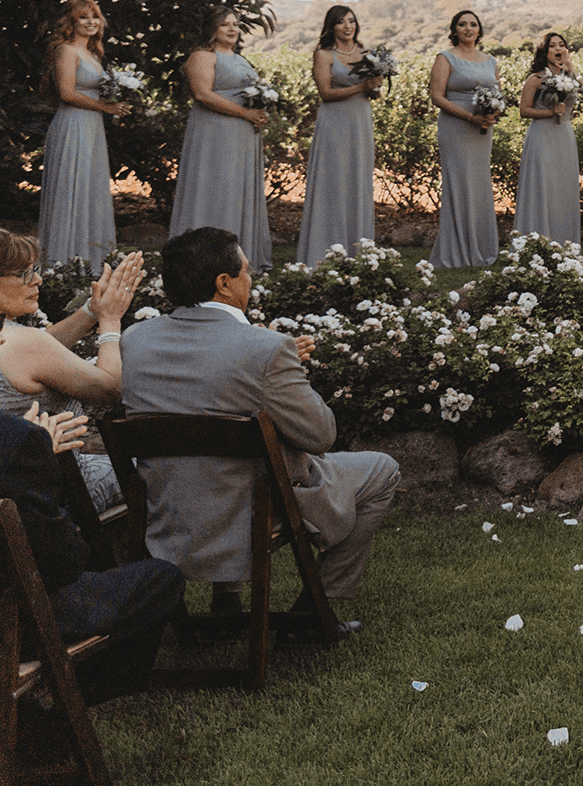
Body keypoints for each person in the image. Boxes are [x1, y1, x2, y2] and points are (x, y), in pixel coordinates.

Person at [120, 227, 398, 635]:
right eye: (248, 272)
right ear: (225, 283)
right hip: (250, 510)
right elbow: (320, 435)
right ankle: (313, 610)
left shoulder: (135, 340)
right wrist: (286, 368)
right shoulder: (265, 348)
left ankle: (227, 603)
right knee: (381, 468)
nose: (251, 281)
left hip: (166, 509)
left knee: (225, 465)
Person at [0, 277, 185, 708]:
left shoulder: (9, 439)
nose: (2, 336)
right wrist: (36, 449)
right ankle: (65, 714)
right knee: (160, 577)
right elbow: (62, 565)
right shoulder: (12, 442)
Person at [0, 225, 143, 511]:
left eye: (35, 268)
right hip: (54, 487)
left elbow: (43, 348)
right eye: (23, 273)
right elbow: (111, 389)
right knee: (151, 472)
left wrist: (90, 312)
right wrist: (110, 322)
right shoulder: (25, 344)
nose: (37, 280)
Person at [168, 5, 273, 271]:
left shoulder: (240, 59)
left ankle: (239, 255)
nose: (232, 29)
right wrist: (245, 113)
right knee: (216, 188)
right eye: (225, 24)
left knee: (237, 189)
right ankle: (205, 256)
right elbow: (202, 94)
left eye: (236, 24)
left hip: (243, 137)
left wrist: (260, 114)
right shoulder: (203, 55)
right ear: (212, 28)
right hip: (215, 135)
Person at [36, 0, 128, 270]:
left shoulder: (94, 53)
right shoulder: (66, 50)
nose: (91, 22)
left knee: (90, 186)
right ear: (70, 23)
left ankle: (90, 257)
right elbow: (66, 93)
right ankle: (63, 259)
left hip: (92, 126)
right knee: (71, 186)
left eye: (95, 17)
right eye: (83, 17)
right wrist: (105, 106)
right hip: (73, 124)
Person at [297, 4, 385, 265]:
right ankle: (323, 248)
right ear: (331, 26)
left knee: (358, 179)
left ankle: (357, 249)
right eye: (342, 22)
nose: (348, 26)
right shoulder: (323, 54)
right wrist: (362, 86)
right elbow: (325, 92)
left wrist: (375, 87)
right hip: (334, 122)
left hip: (360, 121)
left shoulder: (366, 53)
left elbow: (371, 93)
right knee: (332, 179)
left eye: (352, 21)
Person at [428, 9, 500, 269]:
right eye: (462, 24)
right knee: (458, 185)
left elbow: (497, 94)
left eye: (473, 24)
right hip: (455, 128)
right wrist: (470, 118)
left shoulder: (490, 61)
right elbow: (437, 96)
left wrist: (493, 114)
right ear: (454, 30)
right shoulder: (445, 58)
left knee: (479, 185)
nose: (468, 28)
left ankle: (480, 249)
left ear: (479, 30)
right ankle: (455, 251)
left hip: (482, 131)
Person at [514, 32, 583, 243]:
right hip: (541, 136)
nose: (559, 49)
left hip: (564, 136)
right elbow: (524, 110)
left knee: (563, 187)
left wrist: (572, 71)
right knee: (542, 186)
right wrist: (550, 112)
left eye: (562, 45)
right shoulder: (536, 78)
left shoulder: (570, 78)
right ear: (545, 51)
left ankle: (562, 241)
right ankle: (536, 239)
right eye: (553, 46)